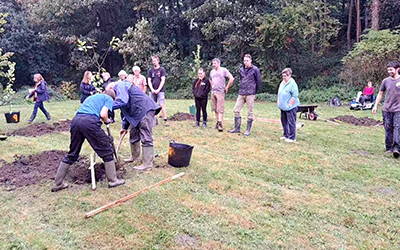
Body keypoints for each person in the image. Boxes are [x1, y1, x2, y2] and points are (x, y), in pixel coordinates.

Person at [51, 89, 125, 192]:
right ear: (113, 98)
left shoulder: (91, 97)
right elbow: (103, 114)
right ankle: (113, 180)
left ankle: (58, 183)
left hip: (76, 121)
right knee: (107, 150)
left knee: (72, 153)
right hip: (89, 122)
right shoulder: (108, 98)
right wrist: (107, 121)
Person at [108, 80, 161, 171]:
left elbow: (122, 101)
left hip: (144, 110)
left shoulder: (120, 85)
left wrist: (107, 107)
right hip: (136, 113)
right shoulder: (120, 92)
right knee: (133, 133)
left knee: (145, 135)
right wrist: (124, 127)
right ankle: (134, 156)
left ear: (111, 88)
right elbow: (125, 111)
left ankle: (148, 163)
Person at [228, 54, 262, 136]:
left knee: (250, 112)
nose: (245, 62)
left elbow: (259, 81)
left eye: (247, 60)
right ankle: (237, 128)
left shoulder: (255, 70)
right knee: (236, 110)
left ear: (251, 61)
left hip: (250, 93)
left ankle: (248, 130)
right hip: (241, 93)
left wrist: (254, 91)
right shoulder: (241, 70)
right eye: (244, 60)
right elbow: (241, 79)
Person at [372, 61, 400, 158]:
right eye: (388, 69)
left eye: (391, 69)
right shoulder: (385, 81)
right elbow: (380, 93)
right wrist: (376, 105)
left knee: (397, 127)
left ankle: (396, 149)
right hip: (387, 109)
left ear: (397, 69)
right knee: (388, 128)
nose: (389, 71)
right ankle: (389, 148)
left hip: (398, 109)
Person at [209, 58, 234, 132]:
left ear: (219, 64)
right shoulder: (212, 72)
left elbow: (231, 78)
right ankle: (217, 122)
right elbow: (210, 79)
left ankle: (220, 124)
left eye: (215, 63)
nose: (213, 65)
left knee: (220, 109)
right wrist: (212, 85)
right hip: (213, 92)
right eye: (213, 63)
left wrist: (227, 87)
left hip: (220, 92)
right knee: (215, 109)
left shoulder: (224, 70)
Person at [277, 68, 300, 143]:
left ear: (289, 75)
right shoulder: (282, 82)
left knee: (291, 122)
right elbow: (280, 92)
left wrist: (290, 104)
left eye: (285, 76)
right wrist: (278, 101)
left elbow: (295, 95)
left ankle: (292, 137)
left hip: (291, 107)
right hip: (283, 107)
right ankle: (286, 135)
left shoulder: (292, 84)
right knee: (284, 121)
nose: (283, 78)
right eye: (282, 76)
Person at [148, 55, 169, 126]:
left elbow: (163, 80)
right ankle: (154, 120)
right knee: (152, 106)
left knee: (161, 105)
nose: (154, 62)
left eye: (155, 61)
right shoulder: (151, 70)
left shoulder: (162, 70)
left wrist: (158, 90)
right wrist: (152, 89)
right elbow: (149, 81)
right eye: (153, 61)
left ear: (158, 61)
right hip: (152, 91)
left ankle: (165, 120)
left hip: (160, 91)